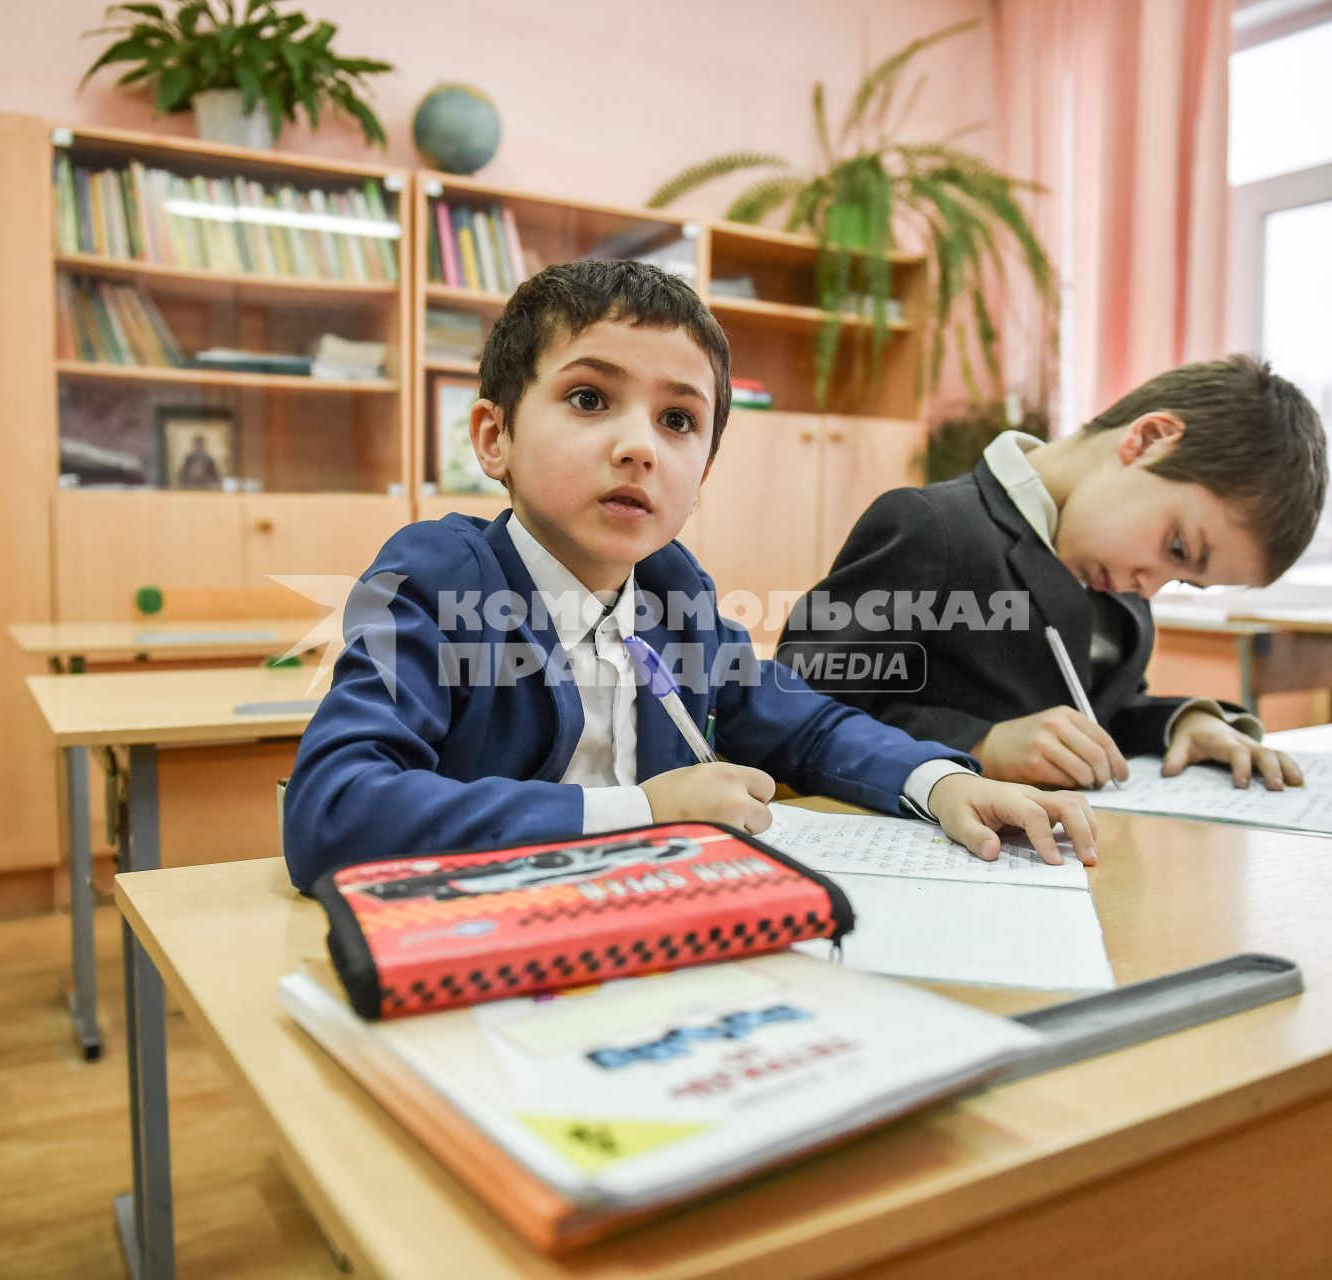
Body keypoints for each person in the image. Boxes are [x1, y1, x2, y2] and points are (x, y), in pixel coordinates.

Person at [282, 261, 1095, 890]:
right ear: (494, 439)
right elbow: (334, 809)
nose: (640, 445)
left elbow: (805, 727)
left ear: (700, 476)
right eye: (590, 398)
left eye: (679, 420)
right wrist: (640, 812)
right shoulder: (432, 578)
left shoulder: (676, 594)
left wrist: (938, 780)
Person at [777, 356, 1328, 792]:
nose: (1151, 584)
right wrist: (982, 744)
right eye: (1177, 546)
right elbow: (799, 704)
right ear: (1149, 439)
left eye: (1182, 579)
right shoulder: (934, 527)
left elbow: (1095, 712)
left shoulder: (1116, 575)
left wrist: (1183, 723)